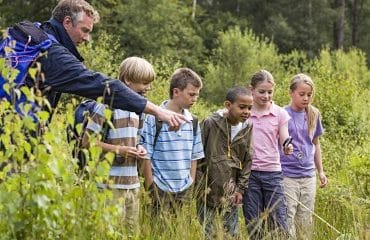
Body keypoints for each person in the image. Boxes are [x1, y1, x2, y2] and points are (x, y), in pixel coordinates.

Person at [14, 0, 186, 128]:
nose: (87, 38)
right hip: (16, 141)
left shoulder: (30, 37)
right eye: (85, 30)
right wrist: (157, 110)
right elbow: (100, 85)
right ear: (67, 22)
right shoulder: (51, 53)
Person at [81, 56, 154, 237]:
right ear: (128, 80)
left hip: (132, 184)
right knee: (109, 233)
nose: (148, 88)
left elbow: (135, 140)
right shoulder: (106, 106)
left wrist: (139, 149)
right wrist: (120, 150)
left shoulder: (139, 110)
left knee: (131, 233)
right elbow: (86, 141)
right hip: (108, 185)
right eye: (144, 83)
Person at [140, 67, 204, 214]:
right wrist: (151, 186)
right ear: (176, 92)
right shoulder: (153, 118)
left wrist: (191, 182)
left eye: (197, 95)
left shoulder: (192, 121)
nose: (195, 99)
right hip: (159, 188)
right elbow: (146, 154)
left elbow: (194, 156)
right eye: (191, 94)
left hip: (183, 189)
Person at [196, 86, 253, 239]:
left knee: (231, 233)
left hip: (231, 191)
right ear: (228, 105)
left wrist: (240, 189)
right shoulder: (210, 123)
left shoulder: (248, 127)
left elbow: (248, 160)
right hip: (206, 190)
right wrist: (200, 186)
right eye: (242, 107)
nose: (246, 111)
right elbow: (197, 155)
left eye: (249, 108)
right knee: (207, 233)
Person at [242, 69, 293, 239]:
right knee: (253, 221)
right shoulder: (245, 113)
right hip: (250, 174)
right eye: (261, 91)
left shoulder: (279, 113)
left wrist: (287, 145)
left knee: (279, 220)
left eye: (270, 92)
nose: (266, 96)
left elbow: (284, 136)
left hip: (272, 172)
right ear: (251, 89)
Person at [280, 73, 328, 240]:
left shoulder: (313, 114)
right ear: (291, 93)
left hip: (308, 175)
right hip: (287, 174)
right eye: (302, 94)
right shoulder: (282, 114)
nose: (306, 98)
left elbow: (315, 143)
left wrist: (320, 171)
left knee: (306, 218)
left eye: (309, 95)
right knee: (288, 216)